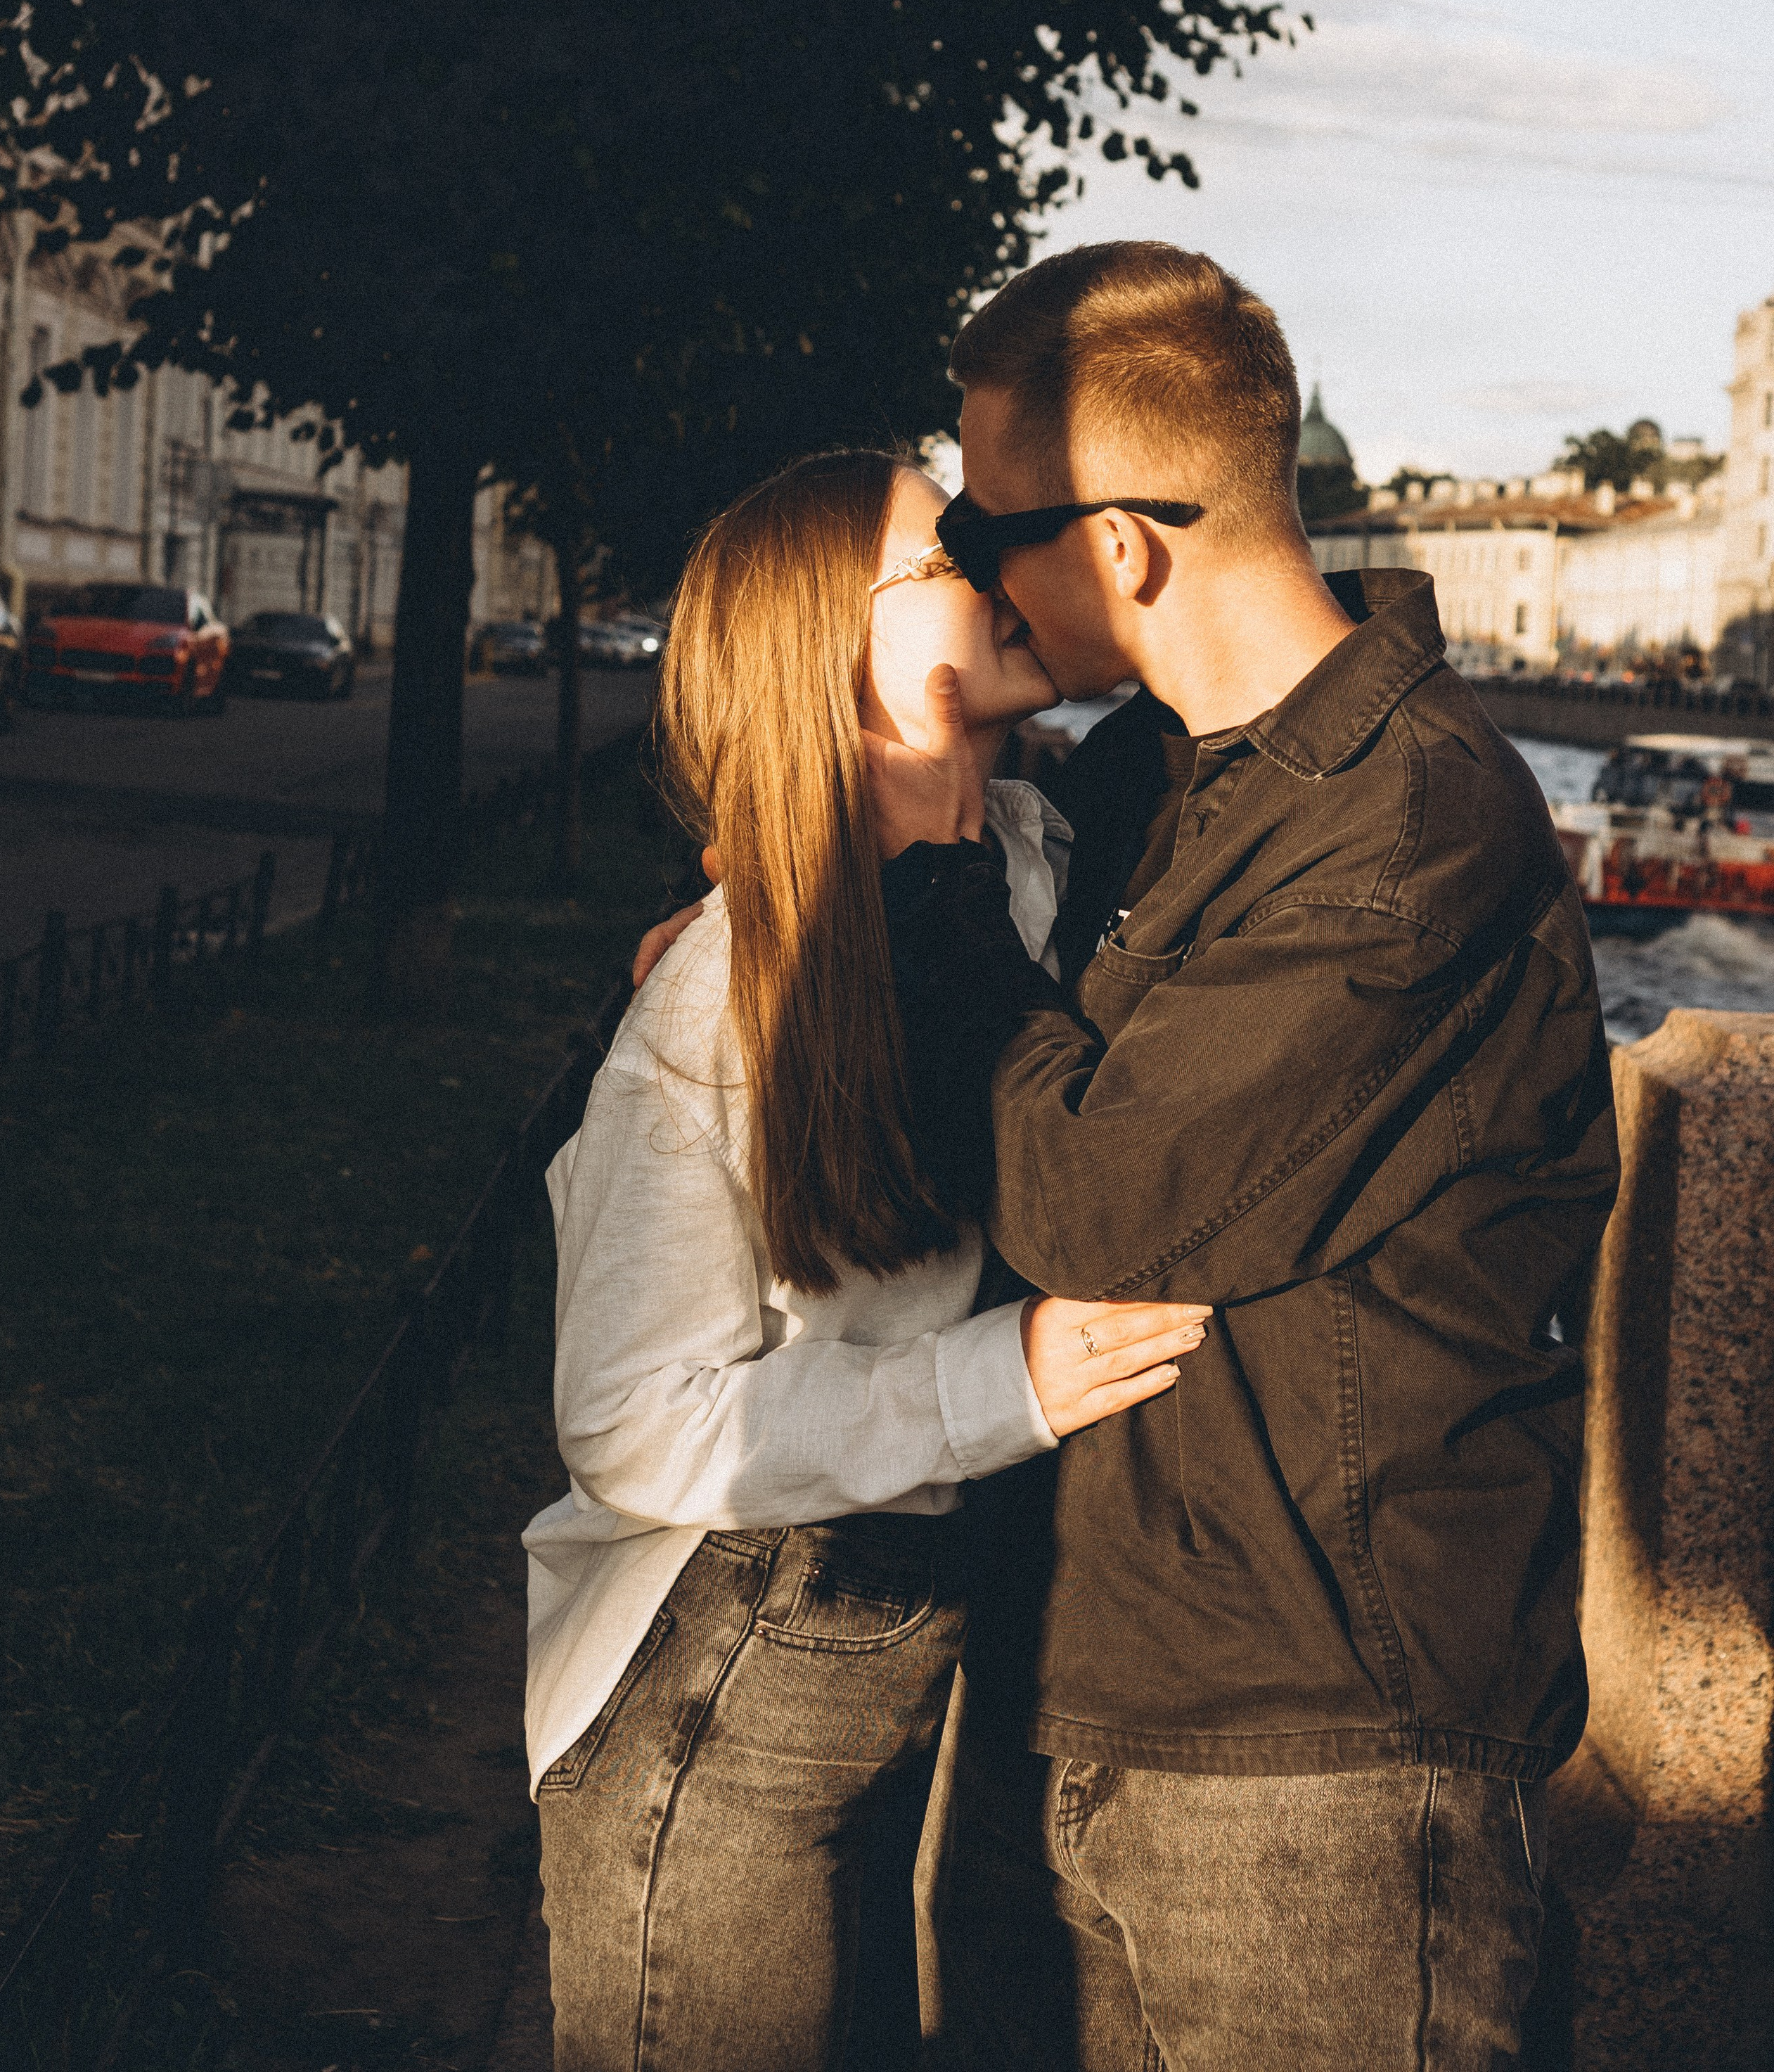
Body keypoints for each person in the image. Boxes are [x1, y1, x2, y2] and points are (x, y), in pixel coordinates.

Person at [848, 241, 1620, 2069]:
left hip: (1329, 1767)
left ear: (1118, 547)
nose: (970, 568)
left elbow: (1101, 1201)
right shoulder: (1170, 777)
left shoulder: (1405, 821)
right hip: (1135, 1688)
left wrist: (929, 878)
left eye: (982, 534)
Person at [521, 448, 1210, 2072]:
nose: (995, 564)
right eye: (946, 549)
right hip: (722, 1679)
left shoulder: (1044, 868)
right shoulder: (726, 983)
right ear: (834, 647)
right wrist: (1005, 1382)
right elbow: (626, 1421)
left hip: (906, 1661)